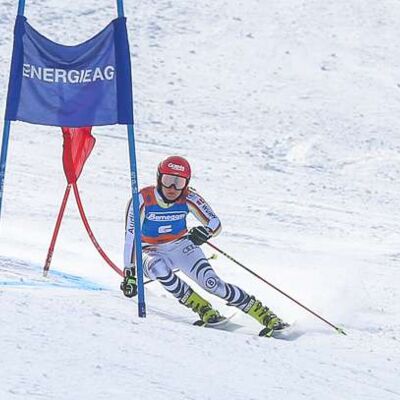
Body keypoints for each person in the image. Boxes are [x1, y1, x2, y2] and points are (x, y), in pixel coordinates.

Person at [121, 155, 288, 336]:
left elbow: (215, 223)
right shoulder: (142, 199)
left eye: (179, 182)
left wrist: (206, 232)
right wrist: (130, 273)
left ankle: (265, 315)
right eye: (168, 180)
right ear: (158, 178)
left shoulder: (189, 197)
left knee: (212, 284)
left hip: (180, 246)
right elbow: (130, 238)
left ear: (187, 183)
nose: (172, 188)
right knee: (158, 267)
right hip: (148, 250)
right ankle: (202, 308)